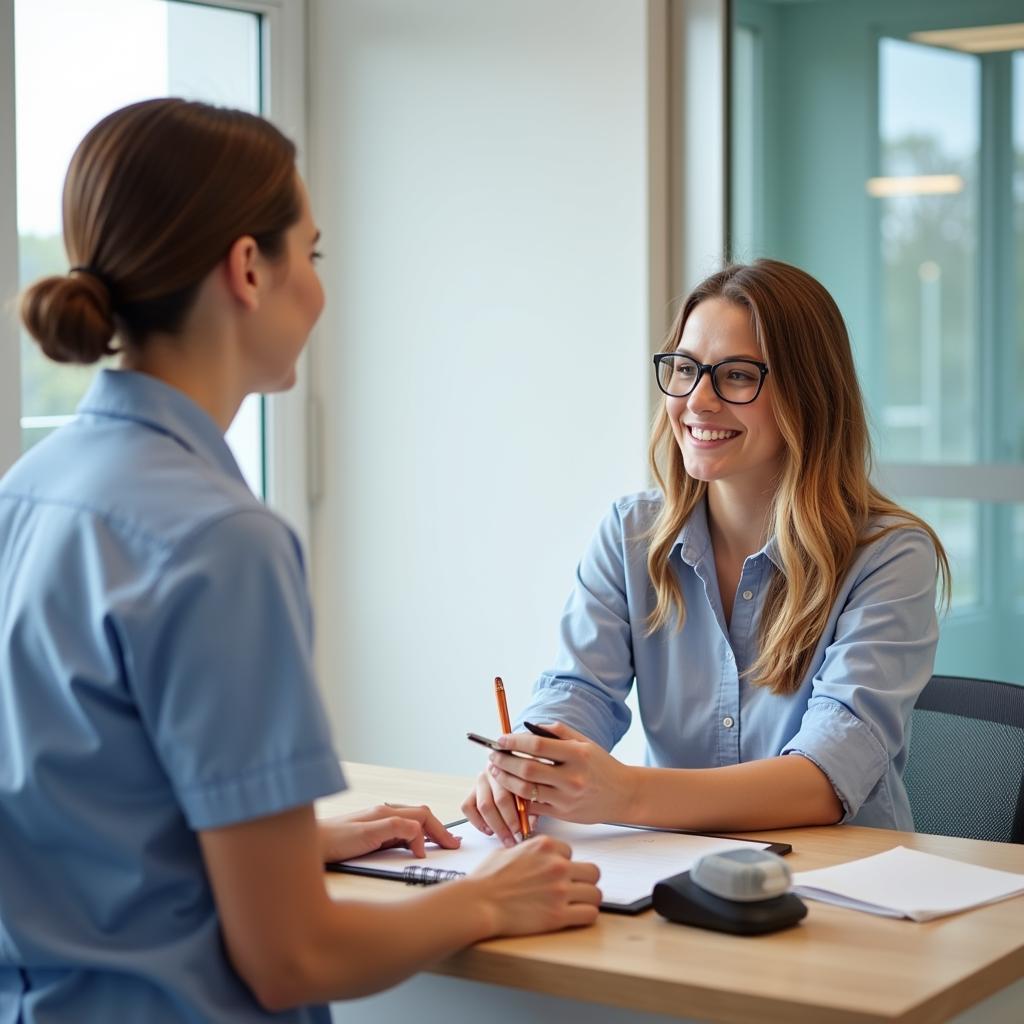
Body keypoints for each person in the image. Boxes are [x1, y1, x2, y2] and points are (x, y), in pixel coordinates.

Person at [0, 98, 600, 1024]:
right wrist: (488, 897)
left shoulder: (28, 493)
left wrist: (288, 846)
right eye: (311, 254)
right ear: (248, 268)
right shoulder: (219, 542)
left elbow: (77, 821)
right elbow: (291, 958)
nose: (319, 289)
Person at [464, 259, 950, 845]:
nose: (698, 401)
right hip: (674, 873)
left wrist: (625, 792)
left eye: (738, 376)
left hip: (843, 886)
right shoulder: (631, 533)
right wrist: (531, 767)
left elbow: (825, 776)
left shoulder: (889, 556)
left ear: (809, 394)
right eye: (686, 368)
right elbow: (581, 691)